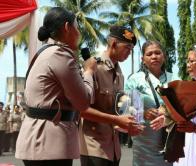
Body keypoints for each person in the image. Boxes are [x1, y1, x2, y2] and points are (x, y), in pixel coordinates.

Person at [15, 7, 141, 166]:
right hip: (59, 145)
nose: (79, 32)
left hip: (50, 143)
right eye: (77, 27)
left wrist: (125, 120)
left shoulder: (45, 53)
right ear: (67, 27)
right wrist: (88, 70)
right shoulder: (63, 56)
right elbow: (83, 104)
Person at [79, 25, 142, 166]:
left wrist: (129, 125)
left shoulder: (120, 74)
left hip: (114, 148)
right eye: (127, 48)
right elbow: (82, 109)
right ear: (114, 44)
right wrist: (117, 120)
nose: (129, 53)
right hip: (94, 147)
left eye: (131, 50)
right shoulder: (93, 67)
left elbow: (118, 112)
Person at [125, 41, 173, 166]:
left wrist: (167, 114)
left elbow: (183, 110)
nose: (154, 56)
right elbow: (126, 110)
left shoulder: (173, 79)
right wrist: (143, 113)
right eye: (149, 54)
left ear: (164, 56)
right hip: (144, 145)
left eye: (158, 53)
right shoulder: (135, 80)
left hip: (170, 142)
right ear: (143, 59)